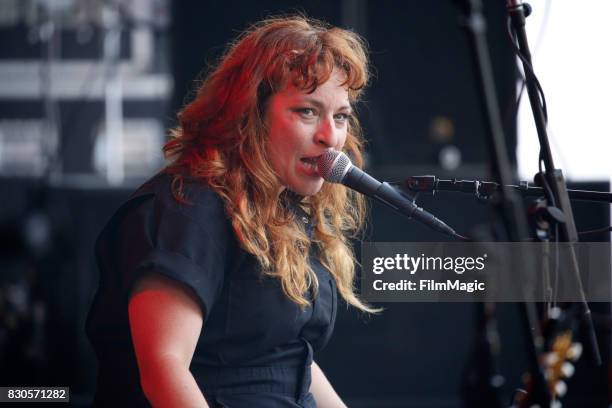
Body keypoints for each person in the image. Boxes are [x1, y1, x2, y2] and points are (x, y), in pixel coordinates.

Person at [86, 15, 376, 408]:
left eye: (340, 116)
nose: (330, 137)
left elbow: (289, 362)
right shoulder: (189, 208)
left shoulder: (281, 210)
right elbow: (163, 367)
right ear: (250, 114)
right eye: (307, 111)